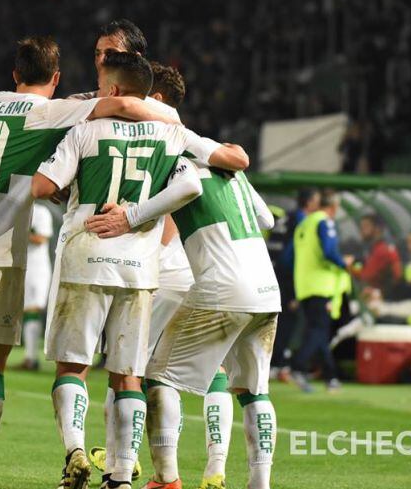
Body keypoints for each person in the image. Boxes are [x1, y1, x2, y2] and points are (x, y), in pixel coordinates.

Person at [0, 36, 179, 489]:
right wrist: (170, 116)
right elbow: (114, 108)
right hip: (2, 249)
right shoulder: (53, 112)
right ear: (56, 78)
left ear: (14, 73)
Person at [32, 51, 249, 489]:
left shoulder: (85, 129)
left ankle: (76, 449)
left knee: (72, 366)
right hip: (138, 268)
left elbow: (42, 187)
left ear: (111, 91)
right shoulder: (173, 134)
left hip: (85, 257)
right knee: (128, 374)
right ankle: (121, 475)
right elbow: (231, 160)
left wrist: (68, 186)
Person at [84, 164, 279, 489]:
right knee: (252, 389)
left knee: (148, 374)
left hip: (206, 282)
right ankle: (257, 483)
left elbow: (172, 218)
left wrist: (130, 218)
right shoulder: (233, 171)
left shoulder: (176, 161)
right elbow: (267, 221)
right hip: (265, 288)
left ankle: (152, 474)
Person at [88, 61, 234, 489]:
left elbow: (171, 209)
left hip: (164, 272)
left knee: (130, 369)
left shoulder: (165, 140)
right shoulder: (200, 145)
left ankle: (129, 462)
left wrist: (138, 234)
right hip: (207, 277)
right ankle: (214, 467)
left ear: (158, 100)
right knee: (212, 372)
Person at [290, 190, 353, 393]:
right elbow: (328, 251)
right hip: (321, 285)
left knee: (319, 332)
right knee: (318, 331)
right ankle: (297, 366)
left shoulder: (305, 223)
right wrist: (345, 263)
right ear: (334, 207)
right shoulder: (324, 222)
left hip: (304, 285)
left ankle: (331, 377)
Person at [270, 187, 320, 379]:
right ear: (309, 203)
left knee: (277, 320)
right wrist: (293, 288)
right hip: (287, 277)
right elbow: (291, 255)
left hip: (272, 273)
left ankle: (275, 362)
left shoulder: (285, 217)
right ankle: (278, 364)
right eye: (316, 201)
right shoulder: (301, 221)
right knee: (286, 321)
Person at [19, 203, 54, 371]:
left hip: (36, 269)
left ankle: (32, 359)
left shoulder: (41, 211)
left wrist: (16, 231)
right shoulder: (17, 208)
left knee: (33, 310)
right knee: (24, 312)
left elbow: (41, 238)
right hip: (20, 267)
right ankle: (29, 357)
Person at [349, 213, 402, 294]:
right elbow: (365, 267)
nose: (361, 230)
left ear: (377, 229)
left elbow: (366, 276)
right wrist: (355, 264)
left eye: (366, 226)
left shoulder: (382, 250)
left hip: (389, 299)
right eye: (361, 227)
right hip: (385, 295)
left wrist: (350, 266)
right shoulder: (376, 248)